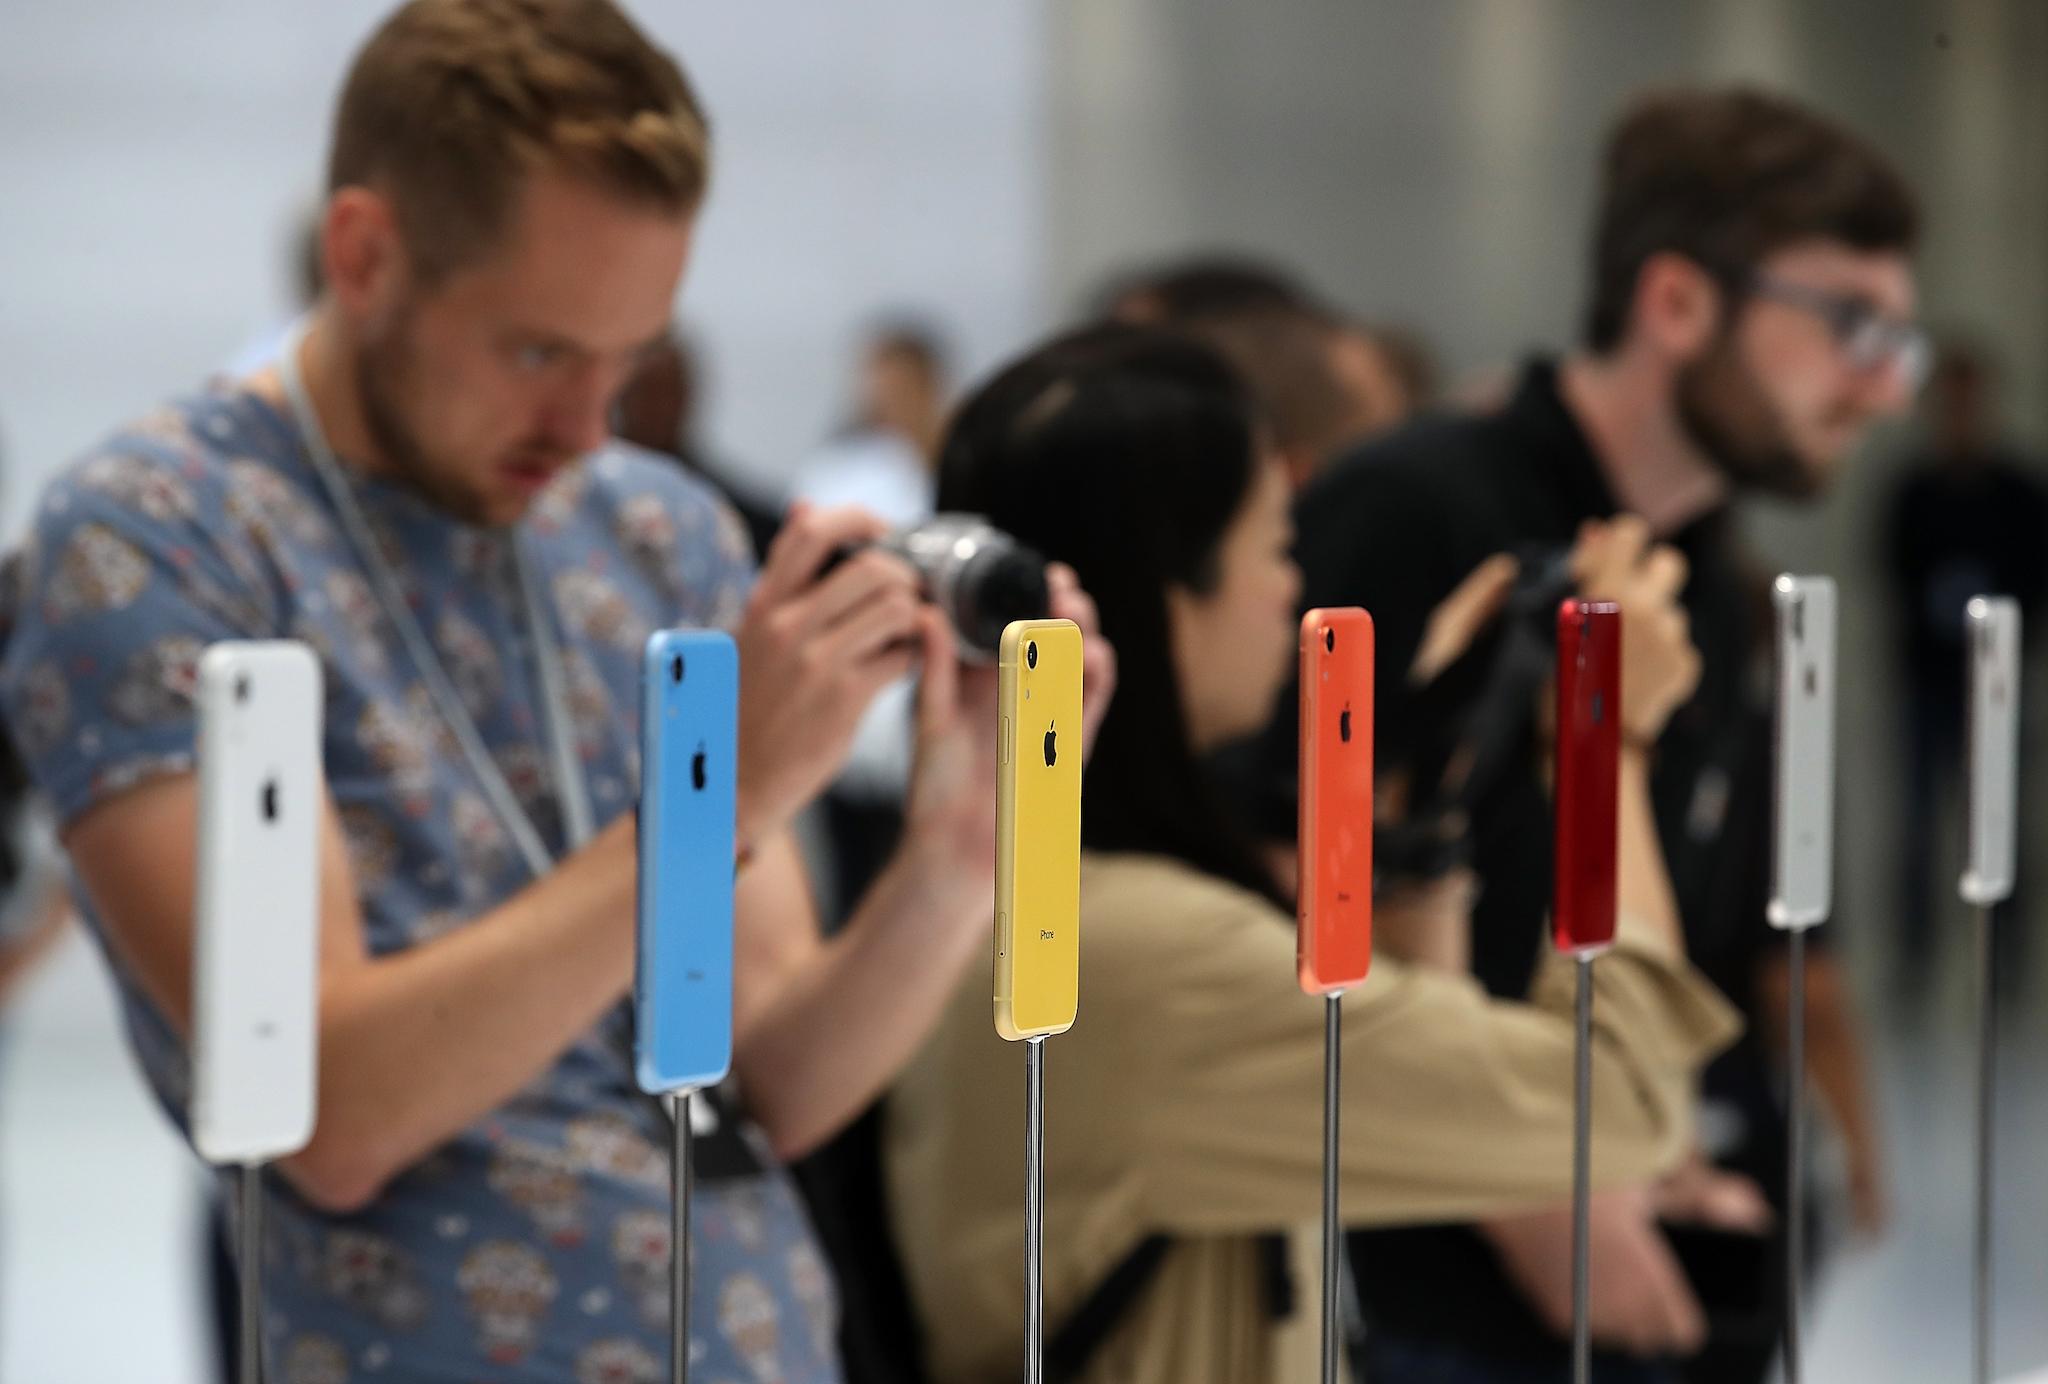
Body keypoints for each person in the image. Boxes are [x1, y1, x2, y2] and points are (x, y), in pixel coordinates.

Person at [0, 3, 1110, 1380]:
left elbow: (770, 1076)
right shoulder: (161, 538)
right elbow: (329, 1115)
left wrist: (965, 844)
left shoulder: (656, 529)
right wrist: (725, 802)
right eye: (538, 351)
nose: (590, 425)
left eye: (629, 357)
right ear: (364, 255)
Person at [885, 324, 1742, 1384]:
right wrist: (1602, 735)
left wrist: (1435, 784)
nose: (1288, 590)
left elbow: (1423, 1067)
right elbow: (1611, 1111)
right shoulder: (1140, 959)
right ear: (1167, 593)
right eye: (1274, 547)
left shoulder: (1037, 897)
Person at [1257, 86, 1920, 1381]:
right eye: (1849, 322)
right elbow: (1299, 882)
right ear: (1677, 303)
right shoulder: (1416, 513)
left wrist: (1657, 1150)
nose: (1878, 384)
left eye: (1894, 336)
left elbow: (1670, 948)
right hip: (1406, 1294)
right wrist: (1539, 1200)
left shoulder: (1712, 597)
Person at [1882, 339, 2048, 1003]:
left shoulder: (2019, 491)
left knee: (2004, 824)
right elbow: (1893, 573)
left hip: (1999, 687)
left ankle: (2007, 965)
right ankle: (1916, 962)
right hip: (1929, 682)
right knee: (1920, 827)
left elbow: (2035, 580)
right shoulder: (1914, 492)